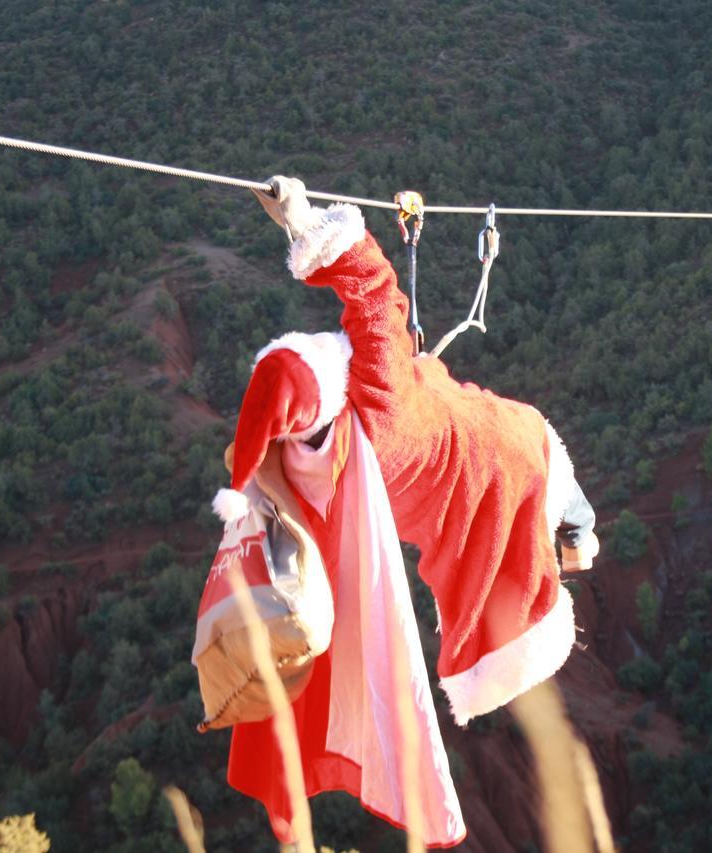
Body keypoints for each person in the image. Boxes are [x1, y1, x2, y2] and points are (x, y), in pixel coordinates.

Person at [212, 177, 598, 845]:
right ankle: (574, 543)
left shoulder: (317, 482)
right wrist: (298, 216)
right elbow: (371, 291)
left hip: (468, 503)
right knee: (571, 519)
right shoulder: (380, 403)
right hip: (514, 451)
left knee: (546, 535)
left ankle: (568, 549)